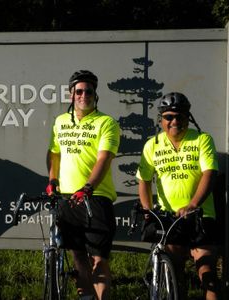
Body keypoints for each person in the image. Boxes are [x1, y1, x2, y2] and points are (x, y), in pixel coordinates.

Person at [136, 92, 220, 300]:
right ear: (161, 119)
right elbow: (144, 179)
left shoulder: (202, 140)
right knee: (174, 275)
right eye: (169, 117)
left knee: (207, 273)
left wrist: (193, 204)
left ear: (188, 118)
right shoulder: (152, 145)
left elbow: (210, 174)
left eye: (180, 117)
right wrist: (147, 209)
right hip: (171, 218)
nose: (174, 121)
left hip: (201, 216)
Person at [46, 70, 120, 300]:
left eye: (89, 91)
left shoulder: (106, 122)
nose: (83, 95)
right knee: (78, 256)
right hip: (68, 198)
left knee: (98, 258)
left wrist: (88, 187)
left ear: (95, 95)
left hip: (95, 197)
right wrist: (52, 180)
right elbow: (54, 153)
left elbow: (104, 158)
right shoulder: (60, 122)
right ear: (71, 95)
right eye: (79, 91)